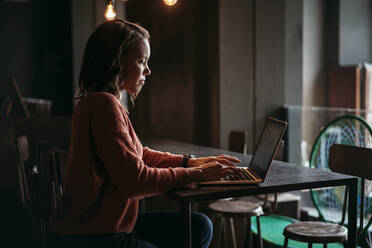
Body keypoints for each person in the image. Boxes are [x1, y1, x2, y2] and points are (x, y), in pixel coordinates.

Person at [49, 19, 240, 248]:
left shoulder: (98, 102)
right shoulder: (104, 105)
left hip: (98, 226)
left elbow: (140, 155)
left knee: (200, 226)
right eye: (141, 61)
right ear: (116, 63)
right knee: (197, 229)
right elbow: (135, 182)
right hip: (95, 236)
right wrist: (197, 174)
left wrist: (189, 162)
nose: (148, 71)